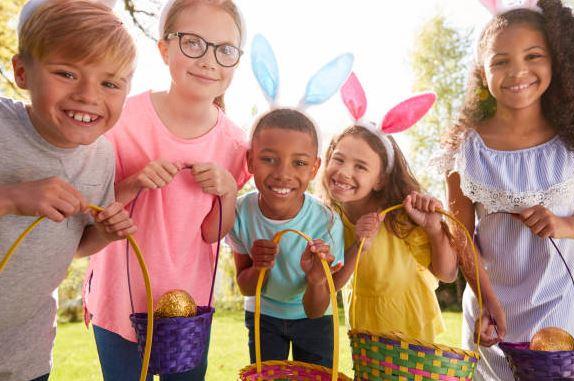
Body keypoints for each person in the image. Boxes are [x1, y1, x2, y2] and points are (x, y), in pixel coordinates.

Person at [84, 1, 249, 379]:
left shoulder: (235, 144)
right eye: (193, 43)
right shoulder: (121, 120)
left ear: (236, 60)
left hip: (189, 306)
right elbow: (91, 211)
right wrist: (132, 183)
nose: (209, 61)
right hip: (118, 297)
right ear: (164, 48)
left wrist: (226, 192)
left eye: (225, 50)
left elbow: (213, 232)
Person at [435, 0, 574, 378]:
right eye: (501, 60)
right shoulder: (465, 149)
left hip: (557, 306)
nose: (518, 71)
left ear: (555, 62)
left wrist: (565, 225)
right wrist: (488, 301)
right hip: (491, 310)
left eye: (533, 55)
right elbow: (460, 235)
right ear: (483, 70)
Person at [0, 1, 137, 380]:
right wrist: (10, 198)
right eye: (67, 73)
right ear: (23, 72)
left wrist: (104, 234)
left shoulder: (102, 156)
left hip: (24, 355)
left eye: (109, 83)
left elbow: (70, 245)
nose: (89, 96)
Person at [228, 108, 344, 368]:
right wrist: (259, 267)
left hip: (314, 319)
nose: (283, 173)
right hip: (263, 316)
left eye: (299, 163)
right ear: (250, 160)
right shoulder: (239, 213)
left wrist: (315, 279)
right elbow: (246, 287)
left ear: (314, 167)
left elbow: (316, 310)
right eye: (269, 159)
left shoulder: (327, 222)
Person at [322, 124, 457, 342]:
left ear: (381, 180)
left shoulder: (400, 217)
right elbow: (327, 285)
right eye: (338, 159)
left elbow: (448, 274)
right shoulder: (327, 220)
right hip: (364, 332)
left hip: (412, 335)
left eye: (360, 167)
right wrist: (358, 245)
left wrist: (433, 229)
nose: (344, 172)